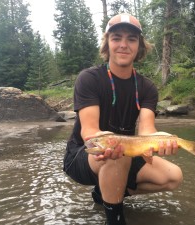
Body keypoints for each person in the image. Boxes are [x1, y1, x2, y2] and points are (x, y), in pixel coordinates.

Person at [63, 13, 183, 225]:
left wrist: (161, 140)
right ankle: (115, 219)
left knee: (173, 176)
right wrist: (106, 142)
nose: (123, 45)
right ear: (107, 43)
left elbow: (146, 130)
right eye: (116, 37)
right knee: (117, 154)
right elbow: (88, 132)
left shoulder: (147, 88)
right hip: (85, 154)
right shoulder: (89, 79)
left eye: (131, 39)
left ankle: (104, 194)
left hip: (125, 151)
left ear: (140, 46)